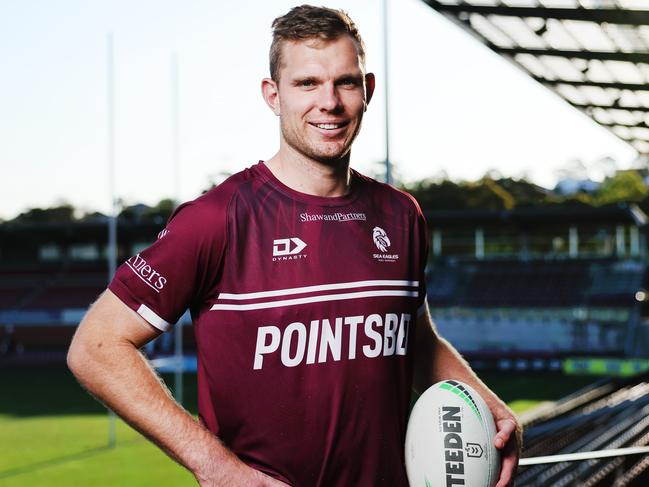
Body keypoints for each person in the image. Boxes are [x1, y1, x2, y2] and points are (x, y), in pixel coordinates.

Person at [68, 5, 520, 486]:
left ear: (367, 90)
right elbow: (96, 347)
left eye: (344, 82)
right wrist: (215, 466)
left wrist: (482, 402)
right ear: (273, 95)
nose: (329, 102)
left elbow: (414, 336)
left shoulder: (401, 215)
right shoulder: (216, 219)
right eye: (307, 83)